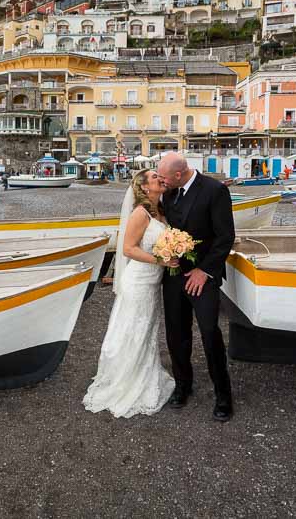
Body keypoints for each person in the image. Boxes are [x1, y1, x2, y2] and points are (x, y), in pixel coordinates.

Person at [83, 169, 177, 418]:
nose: (160, 179)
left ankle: (145, 371)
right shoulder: (140, 213)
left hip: (152, 281)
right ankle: (127, 381)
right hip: (139, 280)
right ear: (145, 187)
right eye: (155, 177)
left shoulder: (161, 210)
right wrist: (161, 260)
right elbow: (127, 249)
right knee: (134, 327)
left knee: (146, 328)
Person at [156, 152, 235, 422]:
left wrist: (205, 271)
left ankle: (223, 395)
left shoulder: (214, 190)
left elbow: (226, 237)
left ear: (179, 174)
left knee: (210, 332)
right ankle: (183, 386)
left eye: (164, 178)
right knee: (176, 333)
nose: (161, 182)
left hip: (204, 276)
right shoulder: (168, 193)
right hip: (174, 275)